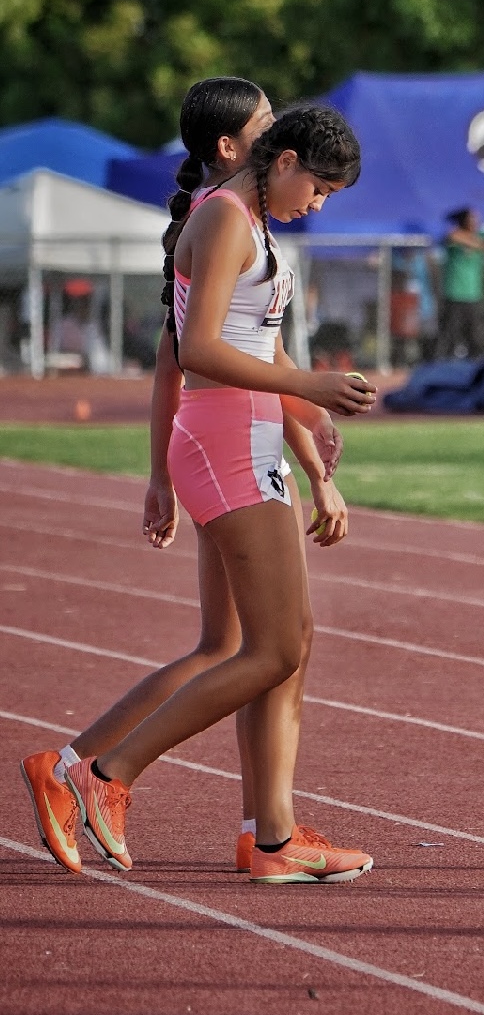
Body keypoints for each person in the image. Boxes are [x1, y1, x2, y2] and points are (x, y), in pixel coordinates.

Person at [21, 105, 377, 883]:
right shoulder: (223, 221)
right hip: (224, 440)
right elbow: (199, 351)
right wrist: (308, 383)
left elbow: (256, 344)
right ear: (277, 159)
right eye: (316, 187)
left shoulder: (246, 220)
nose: (317, 204)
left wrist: (310, 437)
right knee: (277, 646)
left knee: (257, 644)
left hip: (241, 437)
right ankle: (103, 774)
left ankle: (269, 837)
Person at [436, 206, 484, 358]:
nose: (476, 222)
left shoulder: (481, 235)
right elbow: (454, 237)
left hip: (473, 295)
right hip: (454, 295)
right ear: (464, 220)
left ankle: (473, 369)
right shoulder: (455, 236)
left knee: (475, 338)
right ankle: (441, 367)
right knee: (448, 337)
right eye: (472, 218)